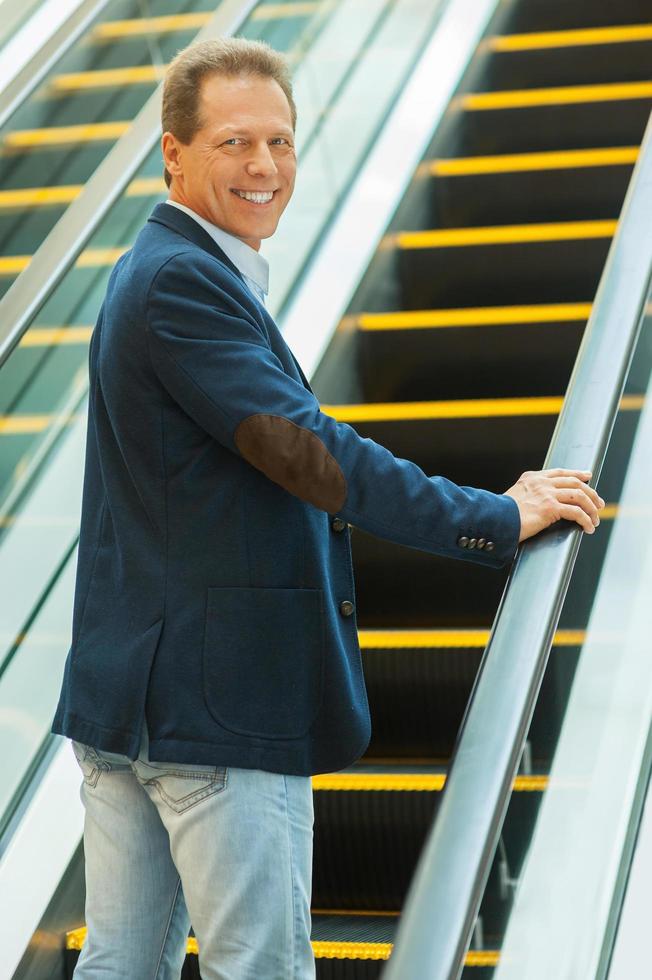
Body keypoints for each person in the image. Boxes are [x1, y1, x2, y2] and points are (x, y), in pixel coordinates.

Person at [51, 36, 604, 980]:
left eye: (281, 141)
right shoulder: (181, 281)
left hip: (133, 698)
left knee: (118, 966)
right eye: (234, 143)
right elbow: (305, 451)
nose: (264, 166)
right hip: (214, 714)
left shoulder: (166, 269)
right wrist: (494, 514)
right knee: (260, 966)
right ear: (174, 153)